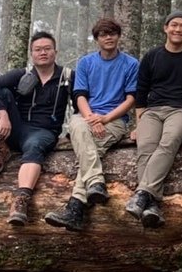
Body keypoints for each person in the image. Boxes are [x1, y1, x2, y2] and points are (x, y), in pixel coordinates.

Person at [44, 18, 139, 232]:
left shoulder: (131, 64)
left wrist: (104, 119)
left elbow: (131, 99)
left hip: (114, 119)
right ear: (97, 39)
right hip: (87, 116)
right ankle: (95, 183)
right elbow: (79, 95)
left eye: (112, 33)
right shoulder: (86, 63)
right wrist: (91, 117)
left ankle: (76, 207)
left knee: (91, 147)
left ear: (118, 36)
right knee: (76, 125)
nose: (109, 37)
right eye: (104, 34)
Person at [125, 10, 182, 228]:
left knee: (168, 141)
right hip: (153, 111)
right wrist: (139, 122)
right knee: (145, 146)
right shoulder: (153, 56)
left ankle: (142, 194)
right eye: (174, 25)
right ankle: (152, 205)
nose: (178, 29)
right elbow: (141, 91)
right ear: (166, 28)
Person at [0, 31, 72, 226]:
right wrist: (4, 115)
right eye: (38, 49)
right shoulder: (22, 74)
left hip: (43, 132)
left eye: (47, 49)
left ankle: (21, 201)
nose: (43, 53)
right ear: (32, 53)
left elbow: (81, 101)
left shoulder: (66, 76)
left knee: (34, 146)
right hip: (15, 128)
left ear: (55, 52)